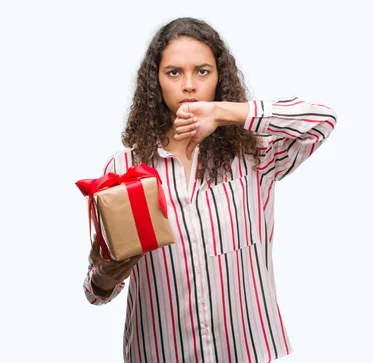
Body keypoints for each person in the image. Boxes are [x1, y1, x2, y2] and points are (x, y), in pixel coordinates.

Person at [83, 17, 337, 363]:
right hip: (158, 353)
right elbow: (96, 293)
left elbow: (321, 120)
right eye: (174, 73)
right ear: (155, 83)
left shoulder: (256, 155)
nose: (189, 85)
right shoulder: (123, 169)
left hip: (247, 351)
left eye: (202, 72)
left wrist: (221, 112)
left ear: (220, 79)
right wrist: (106, 273)